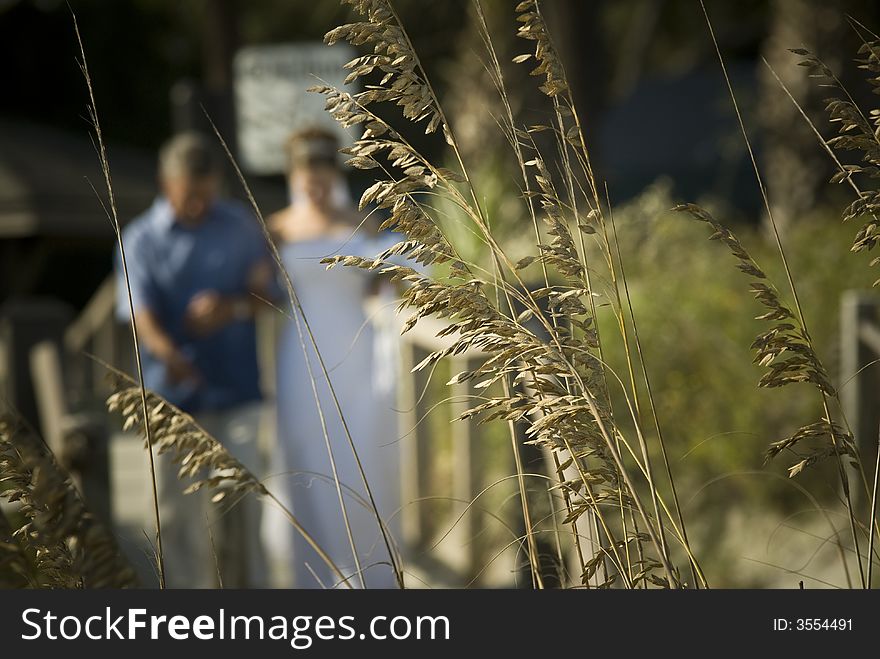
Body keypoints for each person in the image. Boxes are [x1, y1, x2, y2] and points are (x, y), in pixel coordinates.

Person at [115, 131, 276, 588]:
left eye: (207, 195)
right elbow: (137, 314)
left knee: (243, 512)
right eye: (190, 197)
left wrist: (230, 308)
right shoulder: (141, 239)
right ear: (168, 185)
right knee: (175, 518)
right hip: (171, 396)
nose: (200, 206)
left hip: (238, 391)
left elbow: (270, 297)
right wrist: (170, 354)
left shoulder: (241, 225)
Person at [262, 127, 402, 589]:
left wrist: (393, 280)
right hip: (300, 355)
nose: (315, 187)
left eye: (322, 177)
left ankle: (369, 577)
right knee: (304, 454)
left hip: (355, 351)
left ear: (333, 176)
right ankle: (311, 580)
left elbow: (387, 279)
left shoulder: (364, 222)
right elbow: (256, 284)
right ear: (293, 176)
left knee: (357, 455)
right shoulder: (276, 227)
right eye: (306, 178)